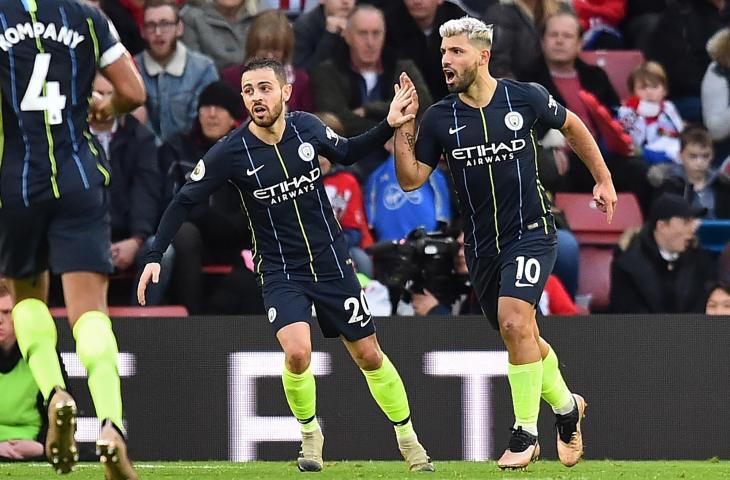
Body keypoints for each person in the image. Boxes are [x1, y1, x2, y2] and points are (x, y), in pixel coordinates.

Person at [137, 58, 434, 473]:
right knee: (297, 353)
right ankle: (311, 436)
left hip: (331, 263)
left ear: (285, 91)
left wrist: (388, 123)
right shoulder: (231, 151)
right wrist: (154, 255)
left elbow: (347, 152)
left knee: (369, 355)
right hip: (280, 269)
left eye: (264, 88)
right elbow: (184, 199)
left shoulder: (308, 128)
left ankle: (409, 438)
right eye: (248, 91)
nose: (256, 97)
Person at [393, 17, 617, 469]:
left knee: (515, 322)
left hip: (532, 233)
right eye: (442, 53)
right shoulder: (439, 116)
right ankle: (568, 409)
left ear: (483, 55)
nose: (446, 61)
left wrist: (604, 179)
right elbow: (411, 179)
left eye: (456, 52)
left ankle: (525, 432)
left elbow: (573, 127)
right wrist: (403, 126)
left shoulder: (525, 97)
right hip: (480, 246)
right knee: (524, 335)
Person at [0, 1, 145, 478]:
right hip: (79, 178)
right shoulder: (85, 16)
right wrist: (108, 106)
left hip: (17, 183)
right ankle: (110, 426)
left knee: (27, 302)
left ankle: (57, 395)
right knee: (89, 313)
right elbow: (133, 90)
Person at [90, 74, 174, 305]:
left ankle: (141, 326)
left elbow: (146, 193)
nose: (102, 101)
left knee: (163, 255)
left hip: (131, 236)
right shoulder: (71, 139)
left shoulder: (141, 137)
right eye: (97, 94)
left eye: (110, 94)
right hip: (84, 236)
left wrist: (136, 239)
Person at [610, 193, 715, 313]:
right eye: (686, 222)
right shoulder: (628, 264)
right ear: (662, 226)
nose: (693, 229)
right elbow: (626, 312)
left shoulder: (700, 261)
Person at [0, 283, 69, 461]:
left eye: (7, 313)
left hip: (33, 447)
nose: (0, 320)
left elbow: (59, 414)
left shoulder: (43, 357)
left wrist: (42, 446)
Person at [135, 0, 219, 143]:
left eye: (165, 24)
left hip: (192, 158)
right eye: (151, 25)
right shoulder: (133, 68)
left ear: (179, 28)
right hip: (145, 158)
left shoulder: (203, 68)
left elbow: (201, 127)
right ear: (142, 31)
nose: (158, 32)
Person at [221, 9, 315, 113]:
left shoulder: (301, 81)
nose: (269, 56)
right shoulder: (230, 78)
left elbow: (308, 123)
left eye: (276, 50)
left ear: (285, 51)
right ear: (253, 46)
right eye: (264, 49)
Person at [618, 61, 684, 165]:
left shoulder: (669, 108)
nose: (649, 92)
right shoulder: (627, 111)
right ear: (633, 92)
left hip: (670, 153)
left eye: (654, 86)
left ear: (665, 90)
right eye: (642, 88)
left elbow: (680, 131)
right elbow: (624, 135)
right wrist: (635, 110)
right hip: (641, 156)